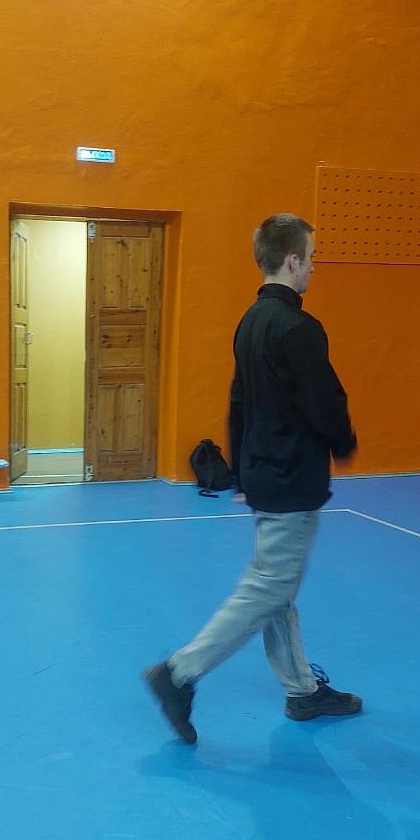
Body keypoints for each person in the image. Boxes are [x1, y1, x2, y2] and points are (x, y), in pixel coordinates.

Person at [144, 213, 361, 744]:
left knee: (277, 588)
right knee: (268, 587)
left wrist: (240, 469)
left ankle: (301, 690)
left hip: (265, 473)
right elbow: (324, 401)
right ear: (292, 260)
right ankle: (179, 673)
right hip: (290, 478)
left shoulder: (250, 321)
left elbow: (238, 401)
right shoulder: (299, 329)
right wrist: (343, 441)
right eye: (311, 257)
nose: (314, 267)